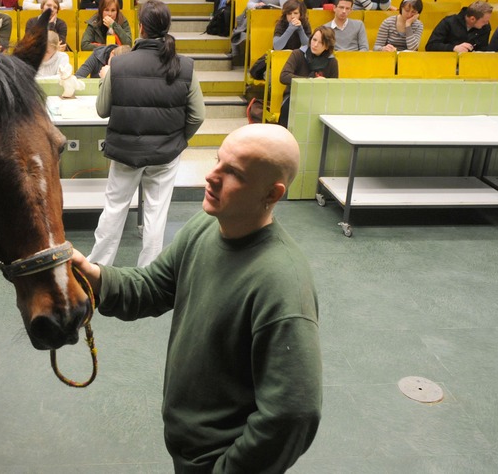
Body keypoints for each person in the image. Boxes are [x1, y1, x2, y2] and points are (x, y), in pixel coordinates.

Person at [73, 120, 321, 472]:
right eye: (217, 160)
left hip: (216, 457)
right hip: (188, 443)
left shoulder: (281, 284)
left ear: (272, 194)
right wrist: (92, 275)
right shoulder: (205, 227)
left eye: (233, 173)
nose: (211, 176)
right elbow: (153, 287)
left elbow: (294, 412)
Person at [86, 0, 204, 267]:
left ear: (140, 28)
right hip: (166, 153)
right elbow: (198, 115)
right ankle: (149, 272)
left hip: (126, 152)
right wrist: (179, 139)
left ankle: (97, 268)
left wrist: (106, 78)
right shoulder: (185, 66)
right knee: (155, 214)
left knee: (114, 209)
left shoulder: (119, 64)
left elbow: (102, 110)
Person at [279, 26, 338, 126]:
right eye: (314, 40)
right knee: (289, 107)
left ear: (327, 46)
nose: (315, 45)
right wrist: (311, 81)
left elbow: (333, 89)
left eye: (321, 42)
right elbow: (284, 76)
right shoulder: (298, 54)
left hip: (319, 100)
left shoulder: (332, 62)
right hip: (295, 96)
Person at [425, 0, 493, 53]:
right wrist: (453, 48)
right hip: (446, 61)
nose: (487, 23)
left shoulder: (485, 28)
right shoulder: (448, 22)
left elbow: (483, 49)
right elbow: (431, 46)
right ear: (472, 19)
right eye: (484, 21)